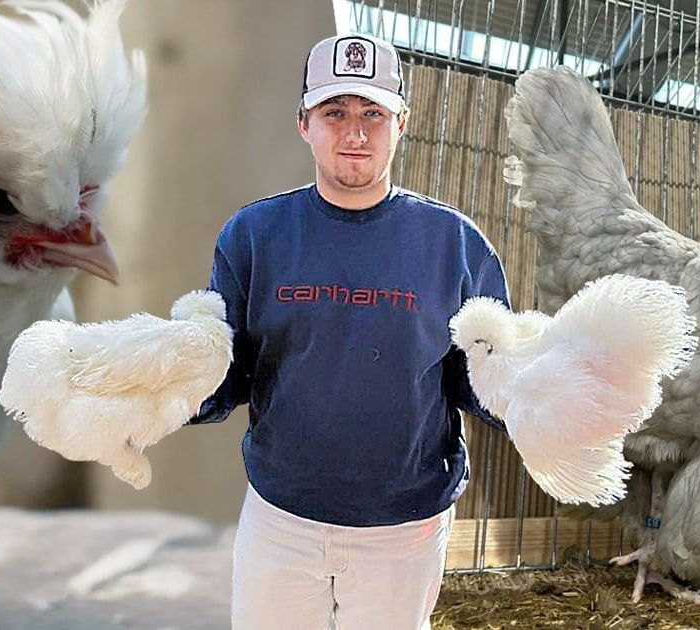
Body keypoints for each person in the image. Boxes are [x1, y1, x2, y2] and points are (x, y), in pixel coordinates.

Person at [191, 33, 509, 630]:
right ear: (303, 123)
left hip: (404, 527)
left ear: (403, 123)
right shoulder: (254, 236)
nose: (355, 132)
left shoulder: (457, 246)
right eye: (334, 112)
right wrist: (157, 390)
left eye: (373, 113)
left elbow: (484, 384)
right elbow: (224, 371)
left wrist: (553, 401)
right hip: (282, 518)